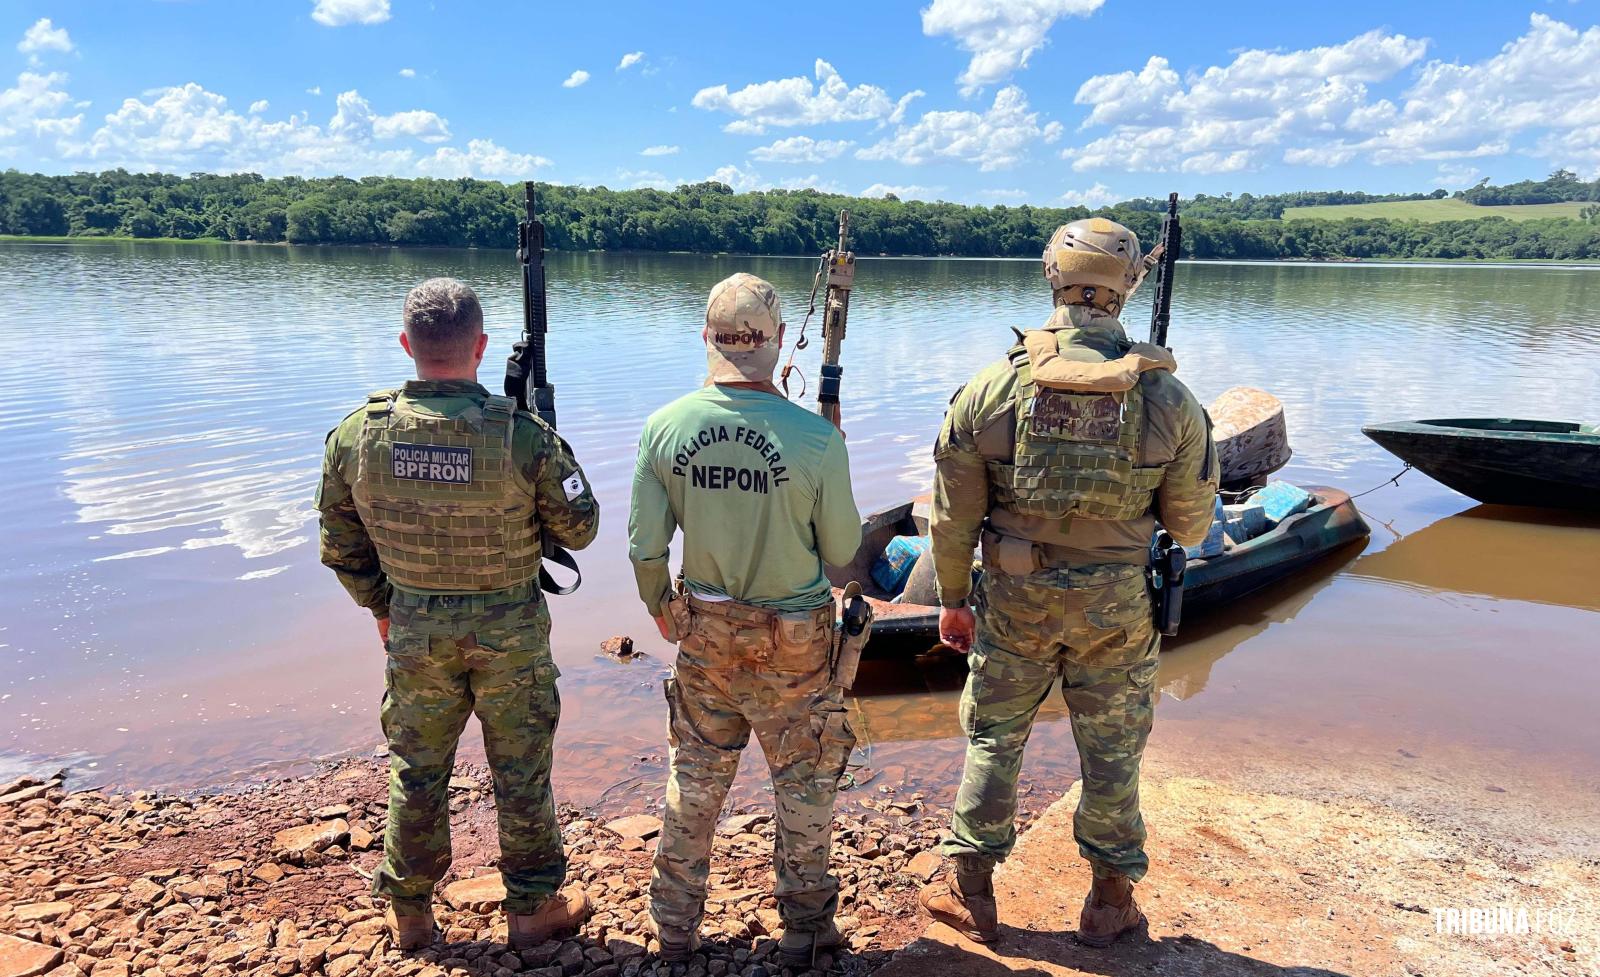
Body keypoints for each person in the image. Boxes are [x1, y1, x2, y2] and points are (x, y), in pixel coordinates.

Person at [917, 219, 1218, 947]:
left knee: (994, 735)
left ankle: (971, 892)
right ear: (1126, 287)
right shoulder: (1168, 398)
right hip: (1118, 604)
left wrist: (953, 600)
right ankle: (1109, 903)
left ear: (1052, 276)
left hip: (1014, 597)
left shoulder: (992, 388)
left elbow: (953, 521)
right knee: (1113, 745)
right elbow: (1190, 527)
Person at [316, 277, 600, 951]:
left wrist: (384, 607)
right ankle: (532, 907)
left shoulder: (357, 435)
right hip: (510, 631)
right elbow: (581, 526)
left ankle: (410, 911)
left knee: (417, 768)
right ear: (480, 346)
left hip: (415, 626)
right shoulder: (522, 437)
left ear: (406, 344)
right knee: (520, 770)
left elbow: (339, 543)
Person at [629, 272, 863, 967]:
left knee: (695, 779)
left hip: (704, 630)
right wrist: (829, 458)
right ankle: (805, 931)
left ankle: (675, 928)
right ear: (780, 338)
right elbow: (842, 551)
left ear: (707, 336)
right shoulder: (814, 439)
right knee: (805, 781)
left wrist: (662, 608)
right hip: (794, 643)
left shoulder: (665, 426)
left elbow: (645, 548)